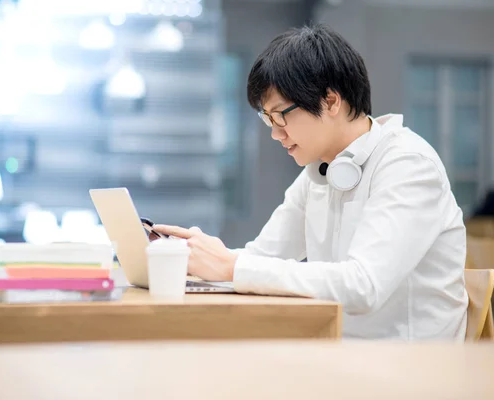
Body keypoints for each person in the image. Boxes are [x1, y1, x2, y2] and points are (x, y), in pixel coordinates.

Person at [153, 24, 468, 340]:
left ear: (331, 101)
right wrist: (191, 259)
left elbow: (363, 286)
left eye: (281, 115)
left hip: (412, 372)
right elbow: (261, 258)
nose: (276, 133)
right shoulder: (321, 172)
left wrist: (232, 266)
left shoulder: (407, 164)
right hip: (340, 357)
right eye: (268, 120)